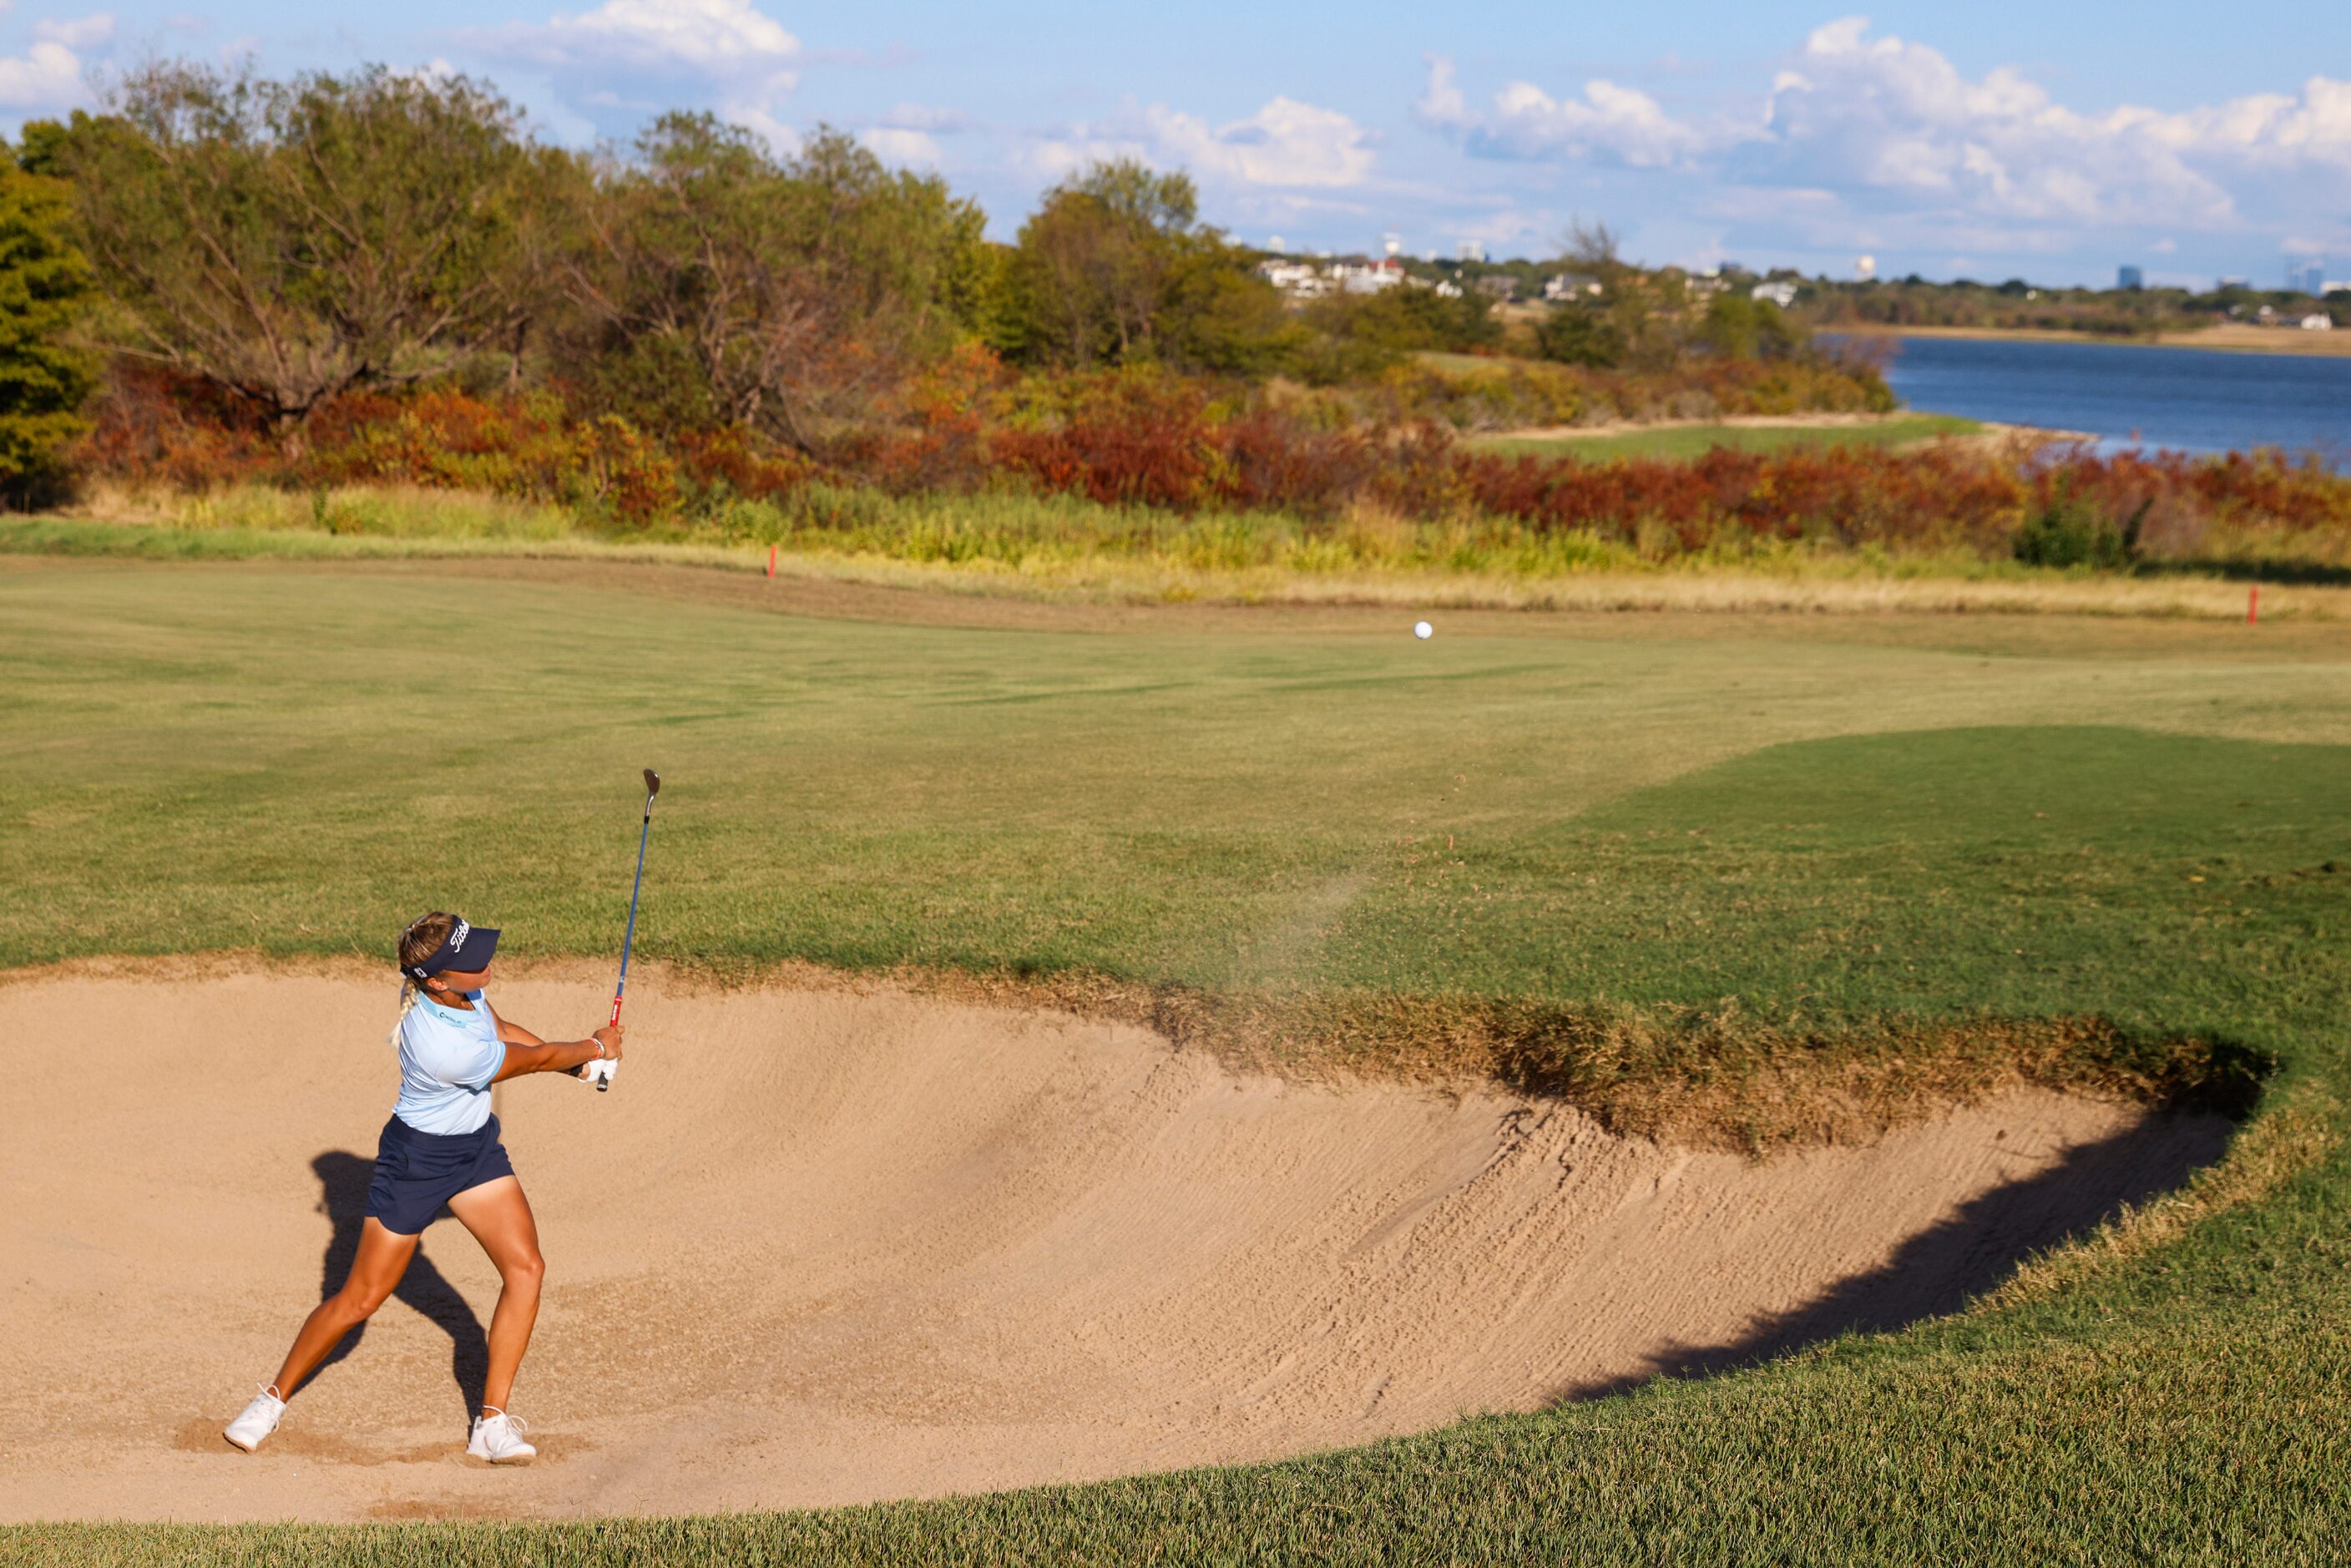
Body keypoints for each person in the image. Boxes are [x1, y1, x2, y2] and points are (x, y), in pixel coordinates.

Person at [221, 912, 623, 1463]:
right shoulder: (439, 1046)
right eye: (470, 961)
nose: (484, 964)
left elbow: (504, 1031)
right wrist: (593, 1049)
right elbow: (530, 1059)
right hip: (416, 1163)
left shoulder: (462, 995)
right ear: (437, 980)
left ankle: (491, 1424)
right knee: (360, 1300)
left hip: (475, 1153)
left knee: (526, 1269)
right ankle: (270, 1400)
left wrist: (578, 1069)